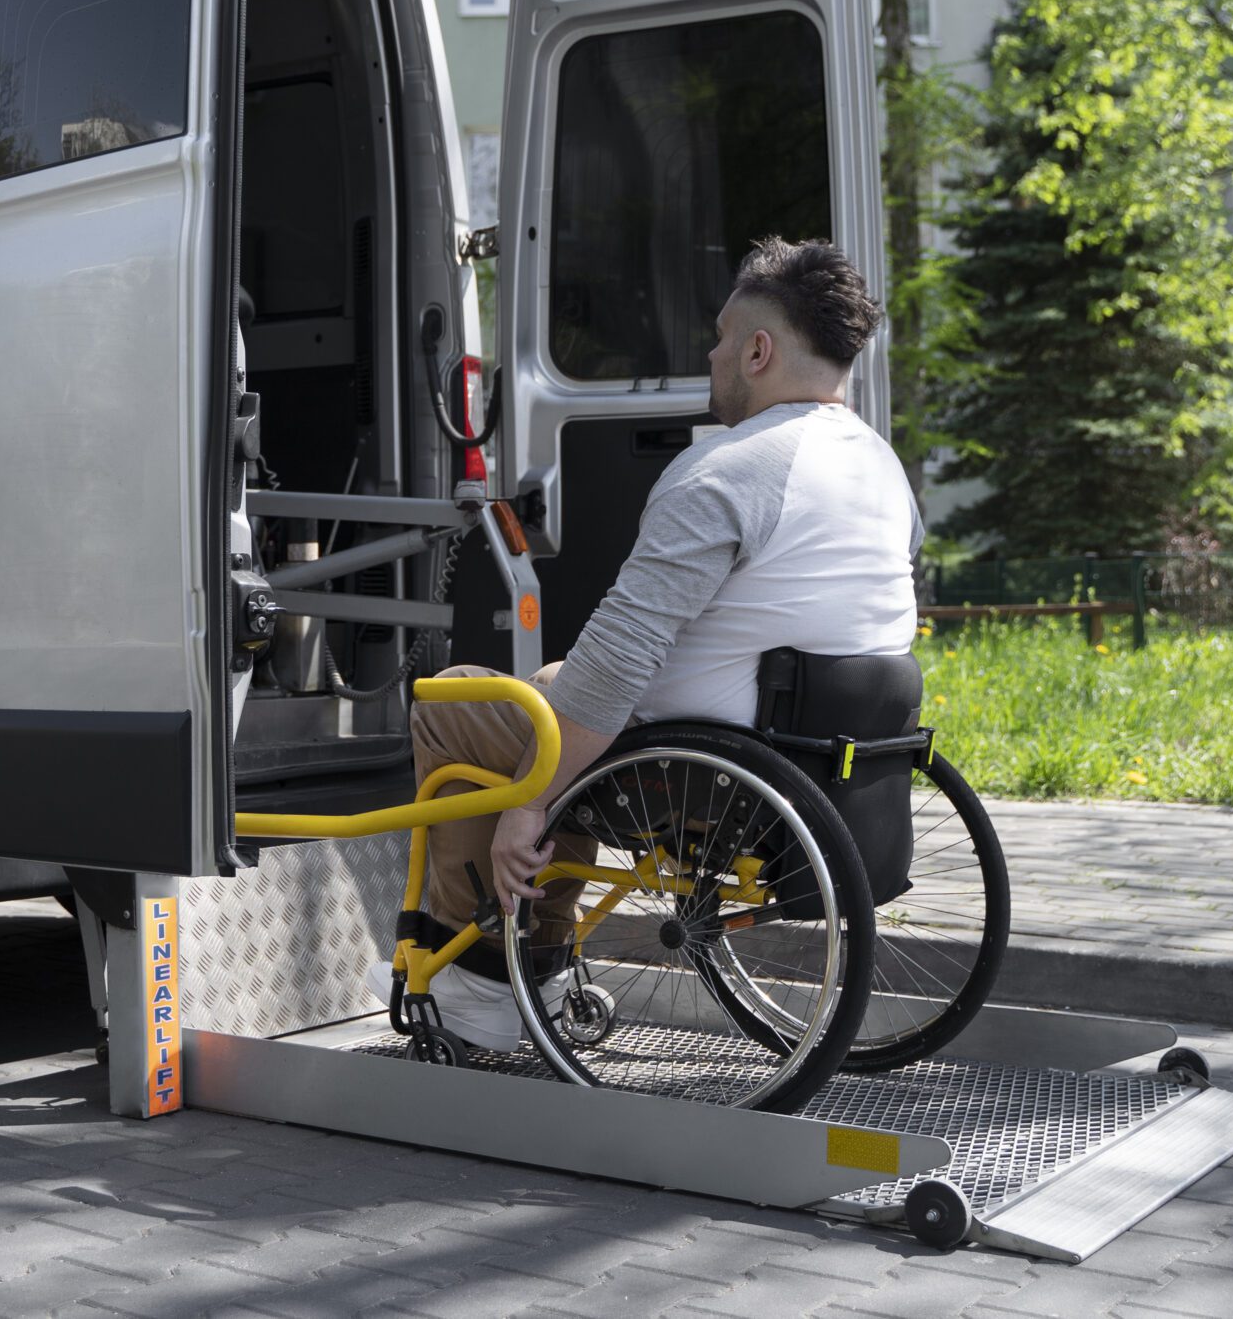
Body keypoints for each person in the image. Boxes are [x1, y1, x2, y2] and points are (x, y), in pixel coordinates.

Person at [393, 235, 921, 1050]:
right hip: (822, 760)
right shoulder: (881, 468)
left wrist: (530, 805)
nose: (710, 355)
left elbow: (617, 665)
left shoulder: (726, 470)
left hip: (697, 774)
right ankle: (543, 948)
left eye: (719, 338)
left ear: (758, 349)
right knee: (555, 689)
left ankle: (490, 981)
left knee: (458, 701)